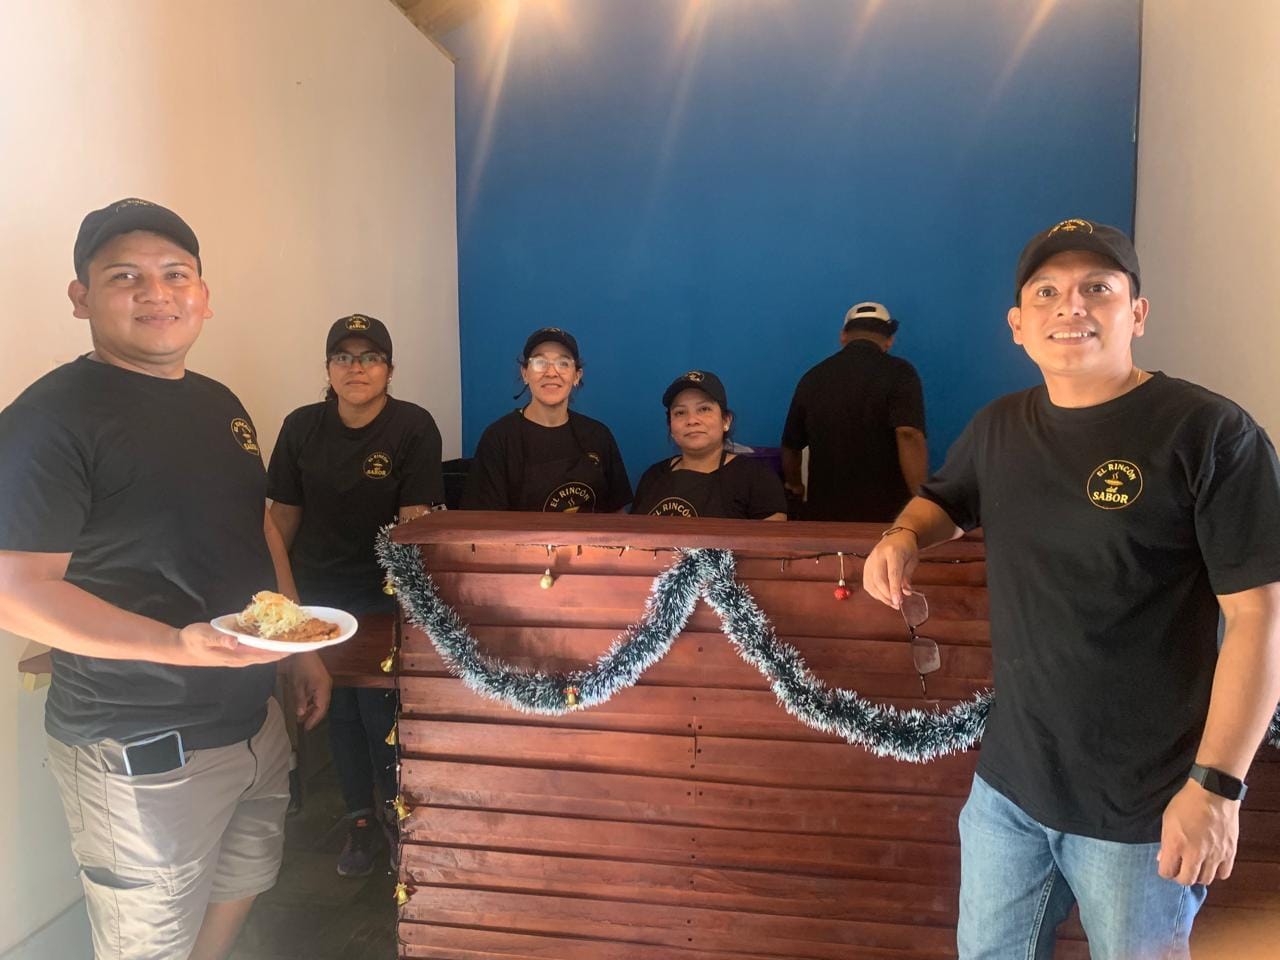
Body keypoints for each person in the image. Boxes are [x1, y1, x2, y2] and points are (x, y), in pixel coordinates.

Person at [862, 218, 1280, 959]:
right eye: (1048, 292)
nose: (1071, 306)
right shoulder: (999, 427)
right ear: (1019, 325)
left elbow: (1259, 619)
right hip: (1010, 791)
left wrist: (1216, 788)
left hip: (1145, 806)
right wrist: (902, 535)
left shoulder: (1211, 434)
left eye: (1098, 288)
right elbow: (947, 498)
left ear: (1138, 313)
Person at [0, 198, 331, 960]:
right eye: (126, 276)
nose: (157, 292)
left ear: (204, 297)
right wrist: (178, 645)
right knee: (146, 940)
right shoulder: (50, 418)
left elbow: (254, 531)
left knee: (240, 884)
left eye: (175, 274)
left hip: (251, 720)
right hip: (140, 741)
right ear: (81, 296)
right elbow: (18, 590)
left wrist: (300, 647)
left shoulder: (219, 405)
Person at [267, 313, 443, 877]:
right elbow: (281, 521)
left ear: (389, 368)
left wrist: (411, 606)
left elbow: (415, 525)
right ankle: (359, 820)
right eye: (343, 357)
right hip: (316, 601)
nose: (356, 368)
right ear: (328, 368)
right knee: (334, 711)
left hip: (382, 598)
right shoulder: (300, 427)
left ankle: (401, 823)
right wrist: (283, 605)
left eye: (369, 357)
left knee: (380, 714)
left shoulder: (413, 426)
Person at [781, 301, 927, 521]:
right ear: (889, 341)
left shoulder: (814, 377)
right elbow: (908, 434)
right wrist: (923, 501)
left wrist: (795, 485)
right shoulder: (901, 373)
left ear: (843, 337)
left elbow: (790, 447)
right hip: (887, 516)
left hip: (825, 516)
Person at [461, 327, 631, 512]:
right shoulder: (499, 439)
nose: (551, 372)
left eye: (563, 363)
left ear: (576, 376)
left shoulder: (598, 435)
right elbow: (484, 525)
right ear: (525, 373)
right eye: (540, 362)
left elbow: (617, 516)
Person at [631, 370, 787, 520]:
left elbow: (773, 544)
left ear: (726, 420)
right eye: (680, 412)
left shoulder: (757, 478)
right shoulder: (652, 477)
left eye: (704, 409)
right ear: (671, 426)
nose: (692, 420)